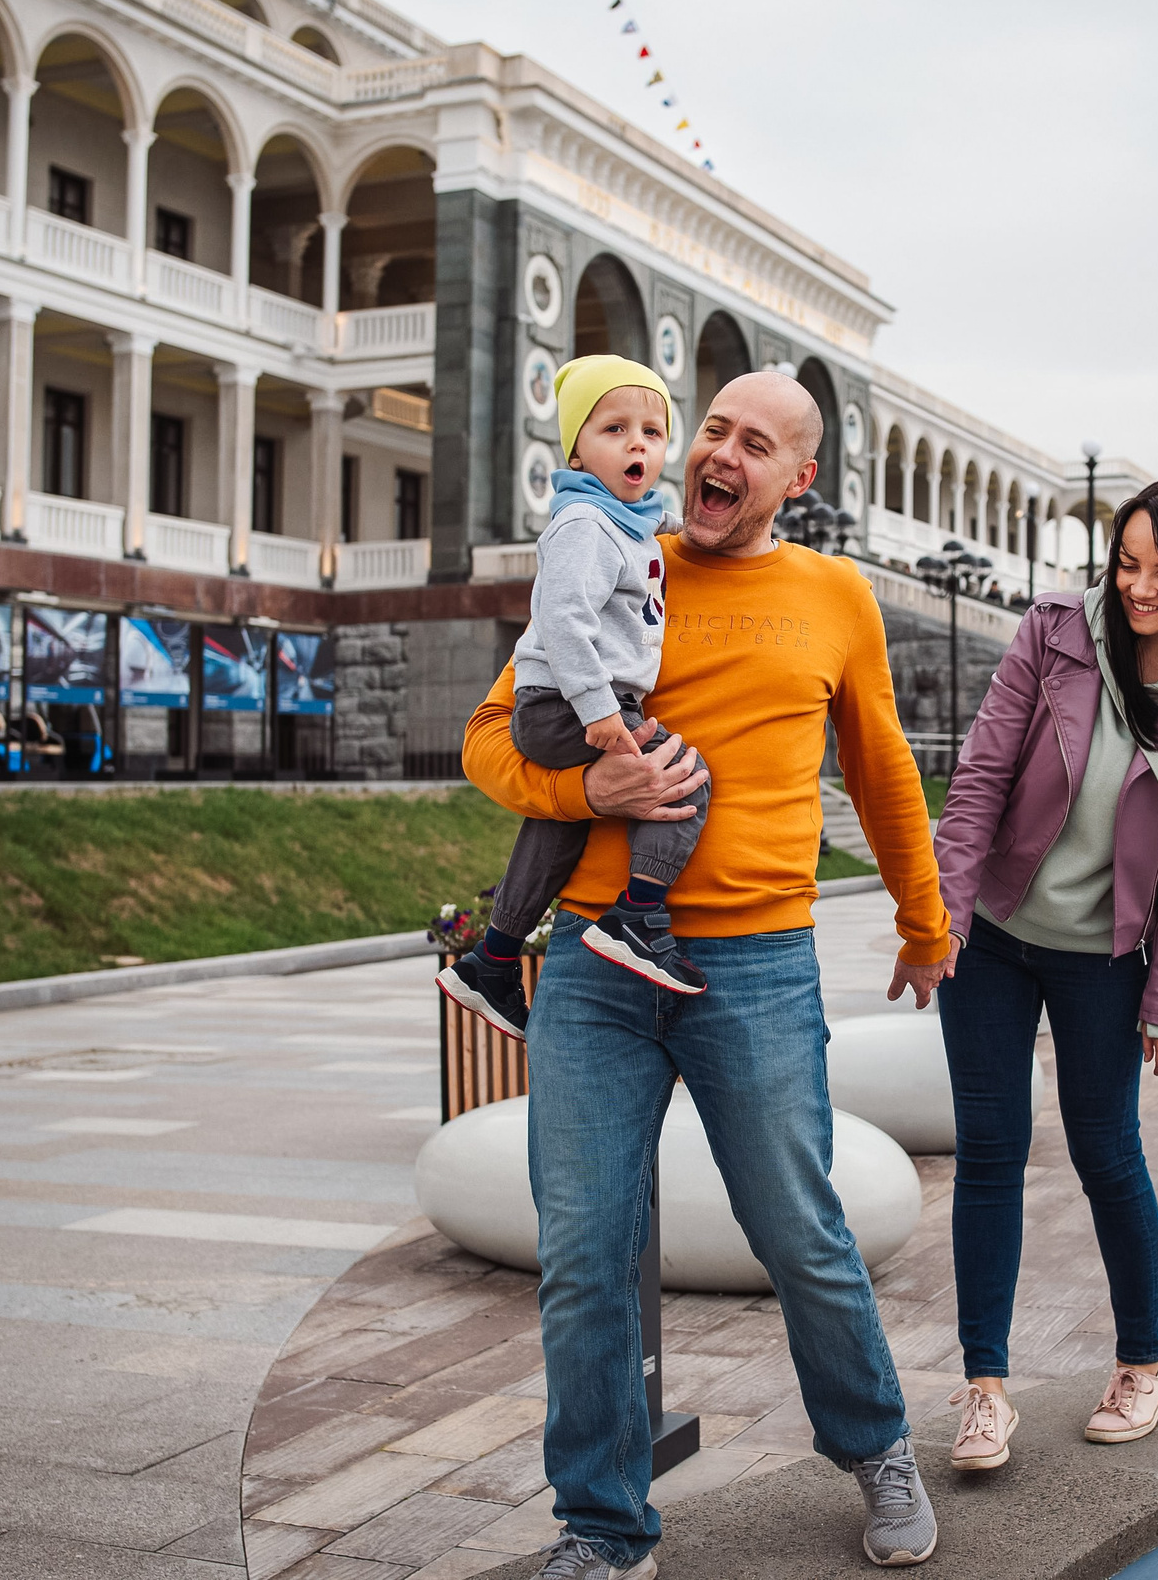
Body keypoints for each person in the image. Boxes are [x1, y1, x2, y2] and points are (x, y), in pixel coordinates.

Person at [461, 371, 951, 1577]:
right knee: (583, 1252)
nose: (720, 453)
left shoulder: (835, 593)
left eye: (756, 443)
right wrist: (587, 787)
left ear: (799, 478)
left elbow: (881, 766)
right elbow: (489, 737)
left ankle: (877, 1444)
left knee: (799, 1229)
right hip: (596, 960)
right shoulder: (610, 553)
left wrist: (923, 916)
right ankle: (603, 1523)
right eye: (713, 429)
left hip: (756, 964)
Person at [929, 479, 1158, 1472]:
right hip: (992, 940)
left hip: (1105, 958)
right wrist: (940, 916)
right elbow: (980, 778)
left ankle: (1142, 1363)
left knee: (1107, 1153)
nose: (1139, 586)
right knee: (988, 1152)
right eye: (1127, 563)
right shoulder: (1054, 634)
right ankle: (985, 1388)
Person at [440, 356, 711, 1036]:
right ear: (576, 452)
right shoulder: (585, 525)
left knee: (560, 821)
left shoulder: (626, 520)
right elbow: (562, 621)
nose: (637, 443)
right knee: (681, 775)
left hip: (572, 701)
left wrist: (693, 530)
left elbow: (657, 528)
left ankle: (492, 960)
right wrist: (599, 712)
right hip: (569, 703)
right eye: (614, 429)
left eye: (652, 431)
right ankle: (638, 915)